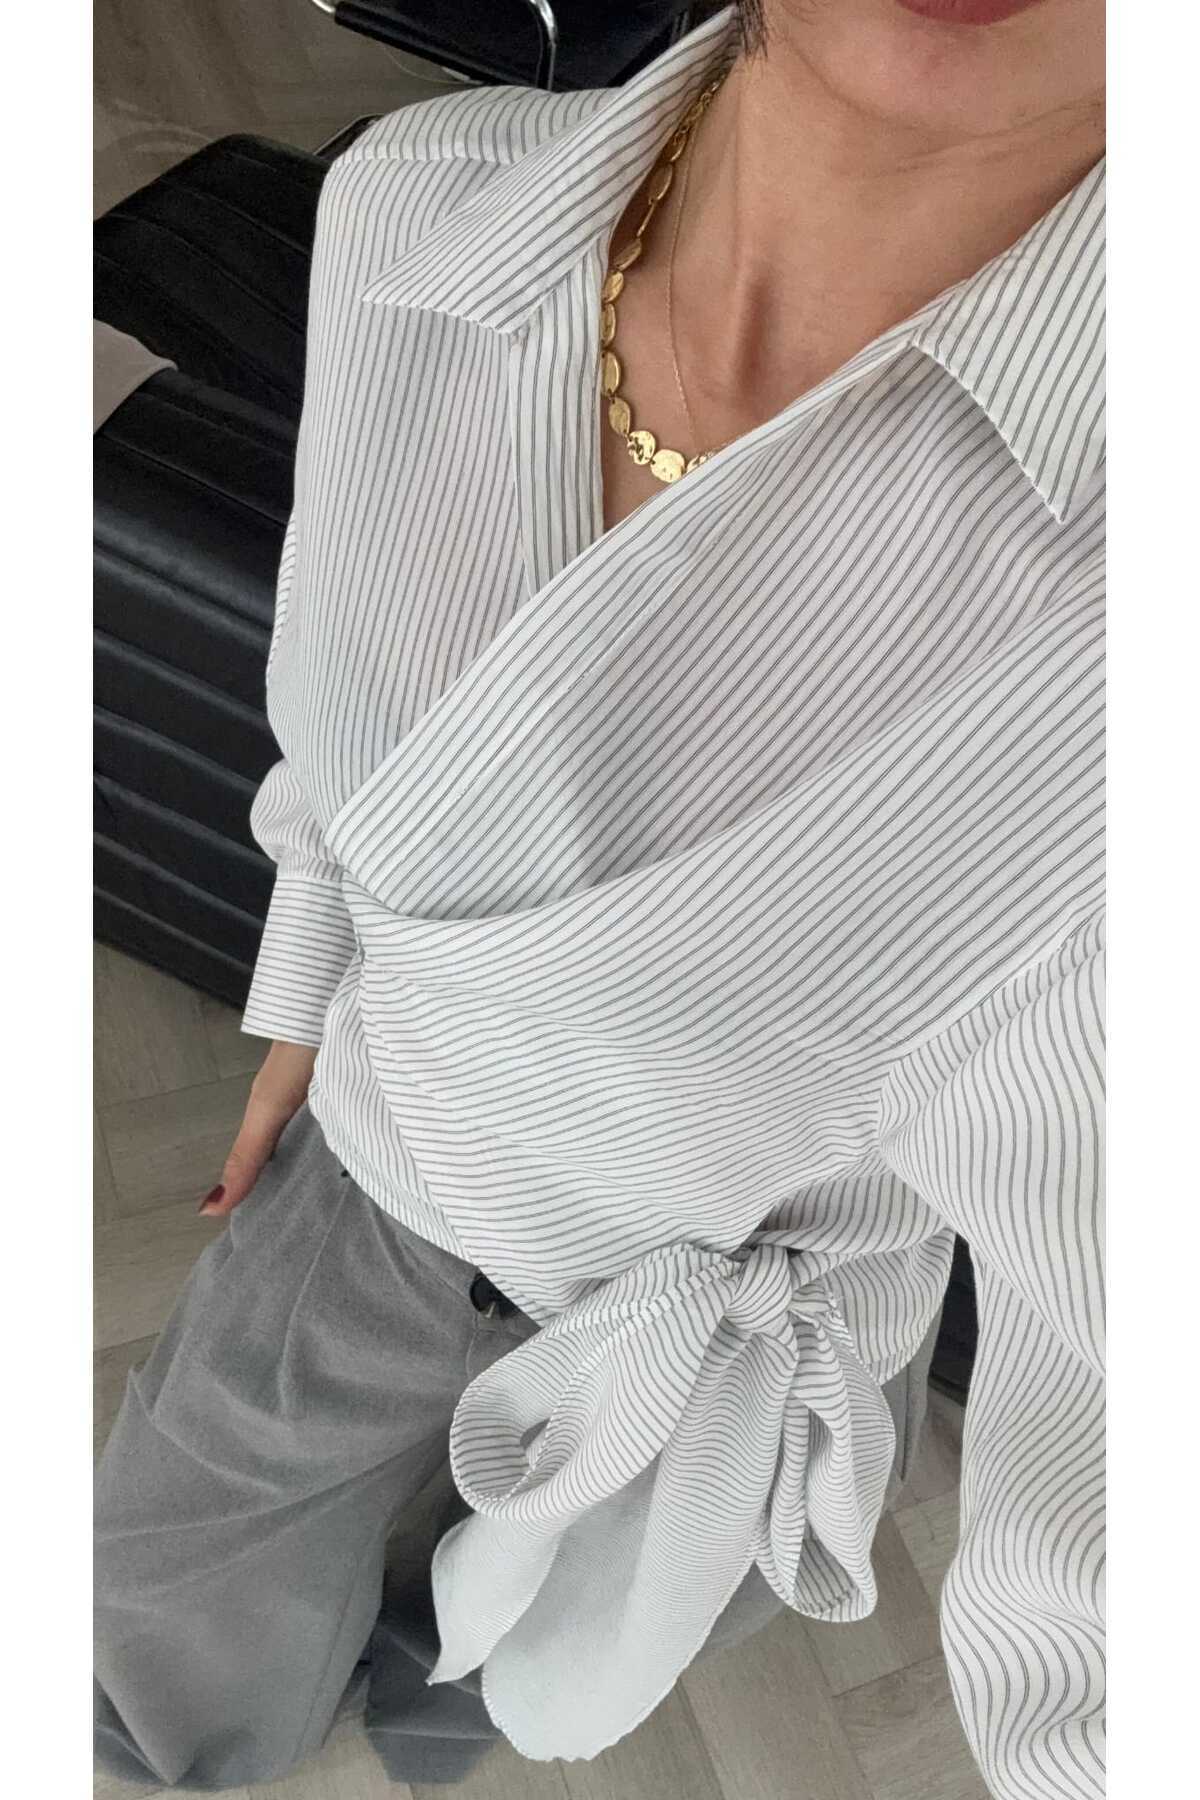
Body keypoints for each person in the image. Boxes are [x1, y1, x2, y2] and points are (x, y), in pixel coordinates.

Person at [94, 2, 1105, 1795]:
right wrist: (308, 981)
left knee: (541, 1650)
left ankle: (432, 1724)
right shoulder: (422, 210)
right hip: (382, 1188)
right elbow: (338, 725)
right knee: (164, 1593)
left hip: (750, 1345)